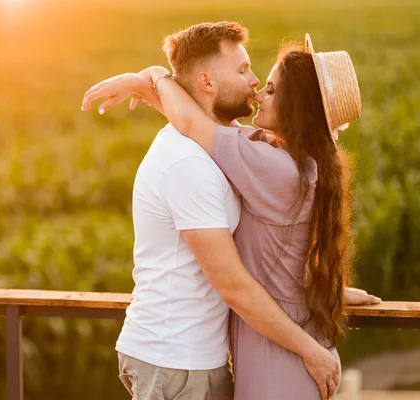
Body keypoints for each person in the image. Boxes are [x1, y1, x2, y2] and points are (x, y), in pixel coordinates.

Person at [82, 22, 380, 400]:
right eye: (245, 71)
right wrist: (321, 290)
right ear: (207, 81)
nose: (256, 87)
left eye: (270, 88)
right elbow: (194, 123)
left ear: (296, 108)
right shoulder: (290, 160)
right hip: (196, 355)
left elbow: (193, 122)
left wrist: (153, 76)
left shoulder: (269, 164)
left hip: (274, 352)